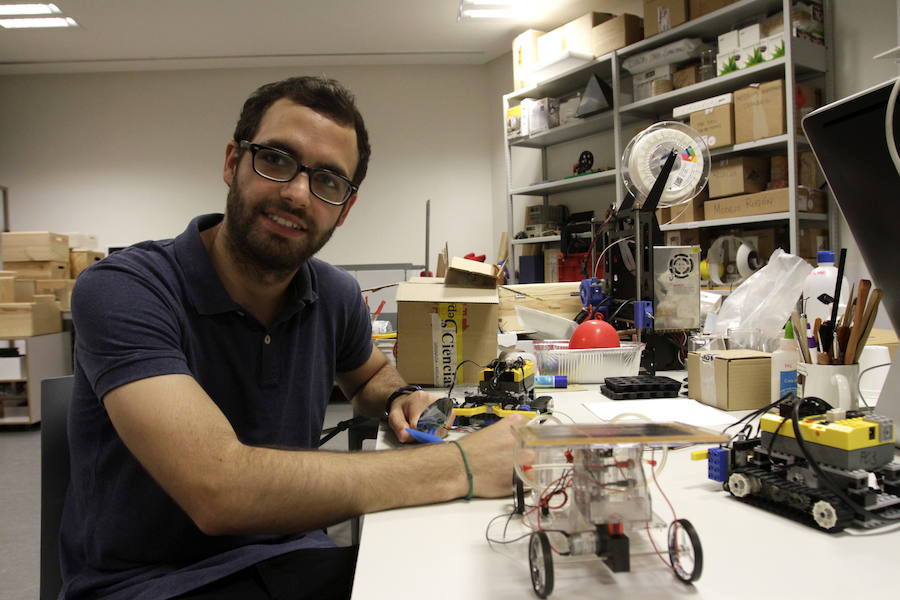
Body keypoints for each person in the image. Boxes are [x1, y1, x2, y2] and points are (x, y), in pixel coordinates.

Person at [60, 75, 523, 600]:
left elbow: (368, 373)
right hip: (157, 585)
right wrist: (462, 465)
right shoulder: (126, 288)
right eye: (277, 159)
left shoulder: (333, 292)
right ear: (233, 163)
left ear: (345, 208)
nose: (297, 193)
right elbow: (219, 489)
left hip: (295, 560)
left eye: (327, 180)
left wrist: (400, 396)